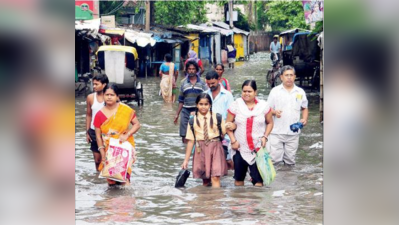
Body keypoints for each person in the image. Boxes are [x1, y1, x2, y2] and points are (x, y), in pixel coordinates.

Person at [226, 80, 274, 186]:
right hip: (239, 147)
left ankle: (256, 201)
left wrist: (265, 137)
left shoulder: (264, 107)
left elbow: (270, 123)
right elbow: (227, 125)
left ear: (255, 92)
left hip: (258, 148)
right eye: (244, 91)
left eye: (249, 91)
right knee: (239, 179)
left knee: (259, 182)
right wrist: (233, 141)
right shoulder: (235, 105)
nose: (246, 94)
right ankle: (240, 202)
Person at [94, 83, 141, 186]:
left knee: (124, 179)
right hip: (109, 150)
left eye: (112, 95)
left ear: (117, 97)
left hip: (123, 147)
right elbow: (98, 136)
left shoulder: (125, 110)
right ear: (103, 96)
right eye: (107, 95)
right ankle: (111, 200)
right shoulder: (99, 115)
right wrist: (102, 154)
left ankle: (128, 200)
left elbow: (137, 124)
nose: (109, 97)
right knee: (111, 181)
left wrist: (127, 134)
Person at [181, 93, 228, 188]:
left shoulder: (217, 117)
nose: (203, 107)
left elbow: (224, 132)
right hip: (200, 149)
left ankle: (216, 200)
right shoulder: (192, 121)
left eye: (206, 104)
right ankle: (206, 201)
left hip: (215, 147)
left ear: (210, 105)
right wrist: (186, 160)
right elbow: (191, 141)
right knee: (205, 179)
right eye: (201, 104)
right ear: (197, 105)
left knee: (215, 177)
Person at [267, 65, 308, 166]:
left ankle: (289, 180)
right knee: (275, 161)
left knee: (290, 161)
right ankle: (276, 182)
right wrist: (274, 112)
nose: (289, 77)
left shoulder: (300, 92)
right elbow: (267, 109)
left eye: (291, 75)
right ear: (281, 77)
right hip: (276, 132)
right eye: (286, 75)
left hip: (293, 132)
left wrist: (304, 119)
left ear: (295, 77)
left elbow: (304, 107)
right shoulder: (275, 91)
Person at [204, 71, 235, 169]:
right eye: (208, 84)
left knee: (228, 159)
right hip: (209, 132)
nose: (211, 86)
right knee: (211, 158)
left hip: (224, 132)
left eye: (213, 83)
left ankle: (232, 177)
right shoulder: (205, 94)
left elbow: (231, 114)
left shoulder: (227, 95)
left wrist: (223, 131)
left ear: (218, 80)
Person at [174, 61, 208, 143]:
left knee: (199, 135)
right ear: (186, 70)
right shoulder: (183, 82)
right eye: (189, 69)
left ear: (197, 70)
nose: (191, 71)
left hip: (199, 111)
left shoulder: (202, 82)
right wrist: (177, 114)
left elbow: (206, 98)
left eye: (193, 69)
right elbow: (181, 100)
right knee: (184, 135)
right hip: (186, 111)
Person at [86, 74, 109, 171]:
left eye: (96, 84)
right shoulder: (90, 97)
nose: (94, 86)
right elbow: (88, 114)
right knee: (97, 160)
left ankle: (107, 179)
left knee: (108, 158)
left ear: (104, 85)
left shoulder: (109, 97)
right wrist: (87, 132)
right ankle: (97, 179)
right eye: (93, 84)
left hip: (108, 132)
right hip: (93, 131)